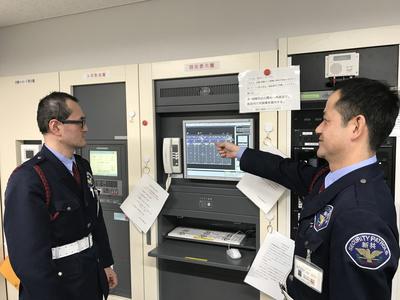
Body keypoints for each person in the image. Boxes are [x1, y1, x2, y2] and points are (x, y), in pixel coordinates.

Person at [217, 78, 400, 299]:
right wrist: (240, 152)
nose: (318, 129)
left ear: (355, 126)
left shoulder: (361, 214)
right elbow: (286, 170)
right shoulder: (333, 177)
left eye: (325, 120)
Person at [4, 92, 118, 300]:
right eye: (80, 122)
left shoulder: (83, 167)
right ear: (55, 127)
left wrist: (105, 263)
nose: (86, 128)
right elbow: (28, 261)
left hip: (89, 278)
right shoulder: (28, 178)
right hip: (58, 289)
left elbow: (95, 220)